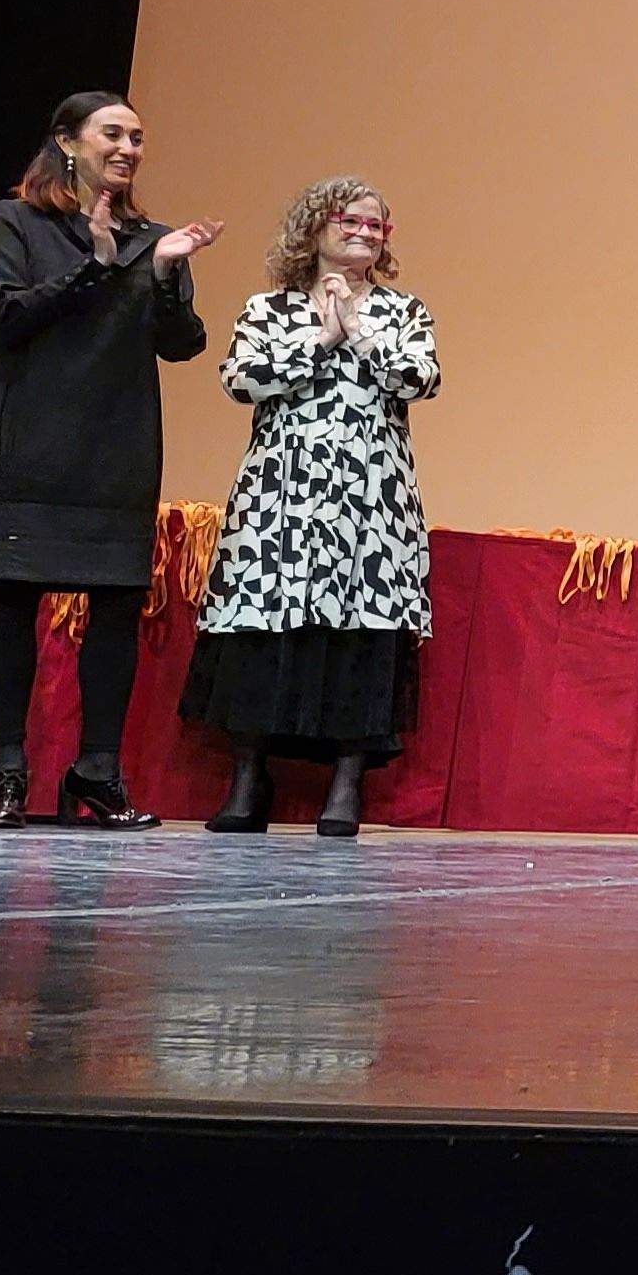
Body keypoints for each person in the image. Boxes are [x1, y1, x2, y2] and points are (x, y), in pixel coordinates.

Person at [0, 92, 222, 829]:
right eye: (113, 133)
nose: (129, 147)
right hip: (30, 445)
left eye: (138, 137)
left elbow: (183, 343)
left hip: (117, 449)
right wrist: (97, 266)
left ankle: (99, 770)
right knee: (14, 599)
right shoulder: (15, 221)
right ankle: (11, 771)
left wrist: (169, 275)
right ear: (67, 142)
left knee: (116, 606)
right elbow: (6, 317)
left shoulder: (155, 238)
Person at [184, 179, 441, 837]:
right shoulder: (269, 308)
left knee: (361, 636)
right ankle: (247, 780)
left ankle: (346, 786)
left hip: (371, 502)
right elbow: (241, 379)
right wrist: (318, 340)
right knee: (263, 633)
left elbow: (421, 378)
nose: (363, 231)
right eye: (349, 219)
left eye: (377, 225)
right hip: (281, 498)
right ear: (315, 227)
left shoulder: (402, 311)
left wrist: (356, 331)